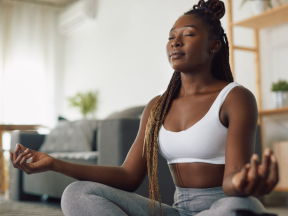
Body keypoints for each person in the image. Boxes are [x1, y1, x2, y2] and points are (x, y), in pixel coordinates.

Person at [10, 0, 279, 216]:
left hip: (223, 205)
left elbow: (232, 178)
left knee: (241, 207)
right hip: (178, 210)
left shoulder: (235, 97)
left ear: (214, 45)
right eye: (171, 36)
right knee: (77, 194)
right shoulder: (157, 107)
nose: (176, 42)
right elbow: (128, 176)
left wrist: (244, 184)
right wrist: (54, 164)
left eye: (188, 35)